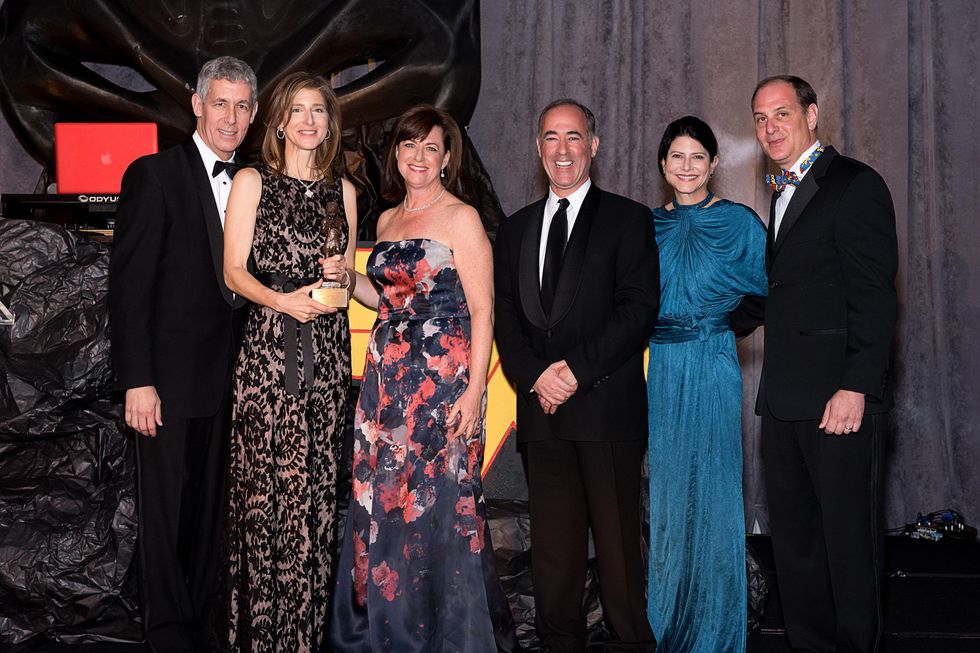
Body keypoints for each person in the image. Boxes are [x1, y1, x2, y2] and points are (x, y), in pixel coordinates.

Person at [327, 104, 518, 652]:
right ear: (397, 154)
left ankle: (449, 636)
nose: (418, 155)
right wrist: (348, 279)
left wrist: (476, 389)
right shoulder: (385, 220)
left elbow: (483, 309)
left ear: (446, 159)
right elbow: (383, 300)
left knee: (438, 503)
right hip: (386, 382)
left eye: (430, 147)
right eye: (409, 145)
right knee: (383, 497)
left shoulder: (461, 218)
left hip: (442, 385)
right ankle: (393, 629)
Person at [493, 99, 660, 653]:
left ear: (594, 145)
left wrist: (573, 373)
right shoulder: (514, 229)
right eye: (550, 138)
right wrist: (538, 378)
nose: (562, 150)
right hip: (543, 414)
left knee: (618, 558)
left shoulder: (628, 218)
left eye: (573, 137)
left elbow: (637, 311)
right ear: (536, 148)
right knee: (554, 557)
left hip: (606, 410)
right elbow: (507, 321)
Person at [742, 75, 898, 653]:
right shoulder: (780, 192)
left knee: (848, 547)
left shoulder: (855, 184)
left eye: (782, 114)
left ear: (812, 115)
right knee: (797, 548)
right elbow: (786, 290)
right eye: (760, 118)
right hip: (783, 402)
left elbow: (876, 297)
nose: (770, 128)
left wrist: (856, 385)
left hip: (839, 400)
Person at [108, 56, 257, 653]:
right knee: (165, 515)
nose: (231, 116)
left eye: (243, 105)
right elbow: (129, 286)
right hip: (164, 384)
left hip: (231, 382)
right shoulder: (155, 174)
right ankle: (167, 634)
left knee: (210, 517)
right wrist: (136, 380)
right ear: (196, 104)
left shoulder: (255, 183)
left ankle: (201, 627)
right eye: (220, 102)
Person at [220, 71, 357, 652]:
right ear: (278, 119)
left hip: (325, 358)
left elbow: (347, 289)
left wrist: (342, 280)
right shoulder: (252, 181)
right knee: (266, 497)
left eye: (318, 112)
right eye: (297, 110)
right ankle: (260, 639)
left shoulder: (345, 191)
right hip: (269, 354)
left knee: (317, 502)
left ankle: (304, 638)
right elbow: (232, 271)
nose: (308, 121)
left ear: (329, 123)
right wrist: (283, 302)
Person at [645, 116, 767, 652]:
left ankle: (717, 633)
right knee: (667, 500)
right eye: (677, 157)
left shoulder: (738, 223)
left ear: (714, 164)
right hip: (660, 369)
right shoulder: (645, 226)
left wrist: (725, 326)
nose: (687, 167)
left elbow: (776, 287)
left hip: (714, 365)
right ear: (663, 164)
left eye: (698, 157)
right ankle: (666, 625)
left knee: (715, 497)